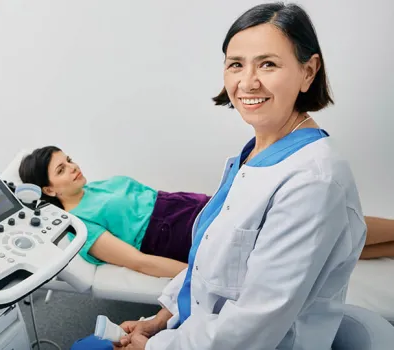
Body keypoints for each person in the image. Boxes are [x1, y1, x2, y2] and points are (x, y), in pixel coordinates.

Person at [70, 2, 379, 349]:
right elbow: (208, 264)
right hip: (197, 330)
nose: (247, 81)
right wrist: (160, 320)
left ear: (308, 72)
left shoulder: (314, 180)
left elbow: (252, 328)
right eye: (236, 64)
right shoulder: (253, 155)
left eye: (268, 64)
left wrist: (155, 347)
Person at [19, 145, 211, 278]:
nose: (73, 167)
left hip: (185, 204)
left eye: (69, 160)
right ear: (49, 190)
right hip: (174, 232)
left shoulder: (92, 187)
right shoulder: (80, 225)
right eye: (61, 170)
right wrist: (196, 276)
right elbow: (139, 262)